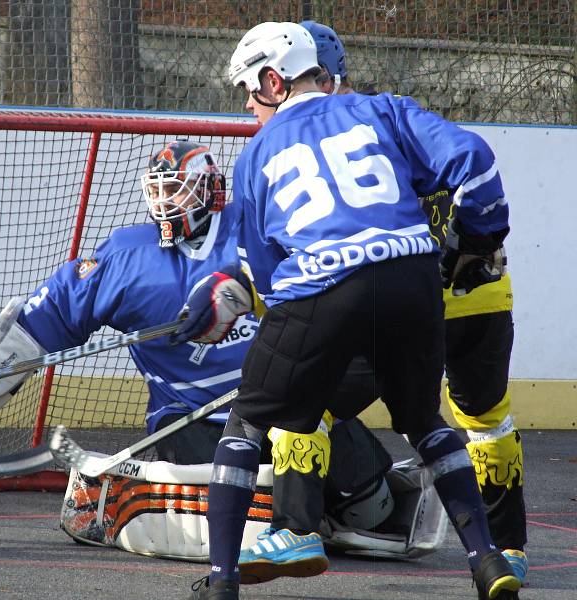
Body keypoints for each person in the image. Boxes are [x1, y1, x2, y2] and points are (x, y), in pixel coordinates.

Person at [0, 140, 434, 563]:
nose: (167, 201)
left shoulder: (258, 228)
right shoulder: (128, 257)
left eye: (179, 188)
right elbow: (55, 313)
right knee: (237, 499)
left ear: (211, 190)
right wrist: (9, 356)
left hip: (282, 402)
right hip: (191, 420)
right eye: (160, 190)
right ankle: (293, 517)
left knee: (372, 503)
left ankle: (326, 510)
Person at [174, 21, 521, 600]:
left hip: (322, 287)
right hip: (413, 279)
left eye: (247, 93)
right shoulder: (383, 109)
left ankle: (222, 580)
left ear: (272, 81)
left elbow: (264, 273)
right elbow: (477, 161)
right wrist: (475, 240)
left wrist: (239, 304)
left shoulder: (257, 152)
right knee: (426, 423)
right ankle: (489, 560)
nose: (247, 108)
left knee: (248, 422)